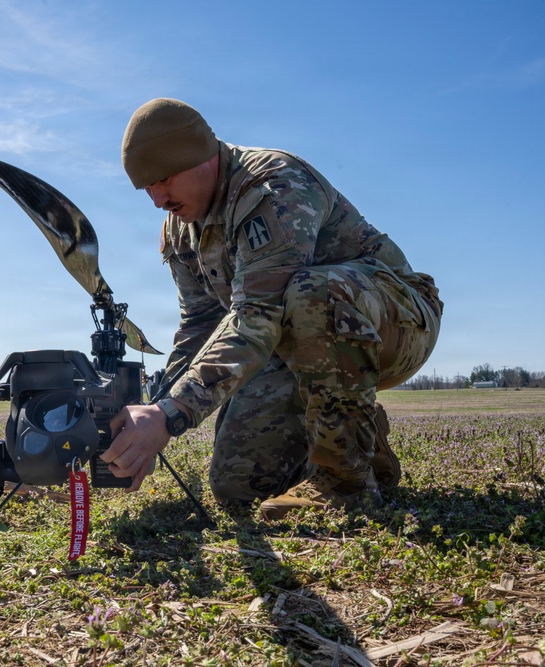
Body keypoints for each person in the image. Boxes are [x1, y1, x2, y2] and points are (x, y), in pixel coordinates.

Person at [100, 98, 443, 519]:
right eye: (146, 188)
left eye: (163, 179)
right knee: (237, 486)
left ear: (200, 156)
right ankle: (364, 442)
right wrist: (150, 418)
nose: (157, 199)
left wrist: (169, 416)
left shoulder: (273, 185)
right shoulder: (180, 229)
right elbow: (200, 327)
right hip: (290, 343)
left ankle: (345, 484)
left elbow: (257, 314)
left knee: (312, 291)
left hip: (396, 321)